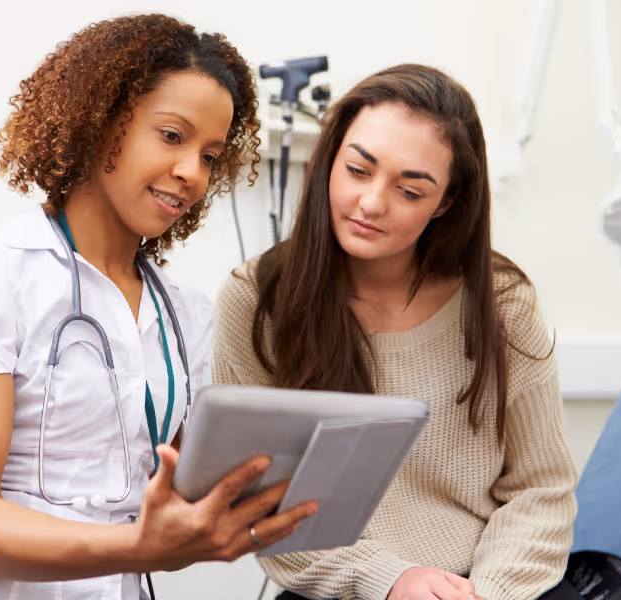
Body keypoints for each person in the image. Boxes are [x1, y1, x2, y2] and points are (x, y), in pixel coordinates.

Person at [0, 14, 315, 600]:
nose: (192, 173)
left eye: (211, 156)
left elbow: (170, 512)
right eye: (172, 135)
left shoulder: (183, 317)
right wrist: (140, 546)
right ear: (98, 122)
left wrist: (241, 507)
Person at [212, 64, 579, 600]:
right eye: (358, 170)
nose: (372, 203)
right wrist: (391, 580)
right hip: (349, 587)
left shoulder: (502, 304)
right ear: (330, 159)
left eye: (409, 190)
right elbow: (261, 504)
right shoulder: (256, 300)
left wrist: (485, 593)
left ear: (446, 202)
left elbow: (541, 489)